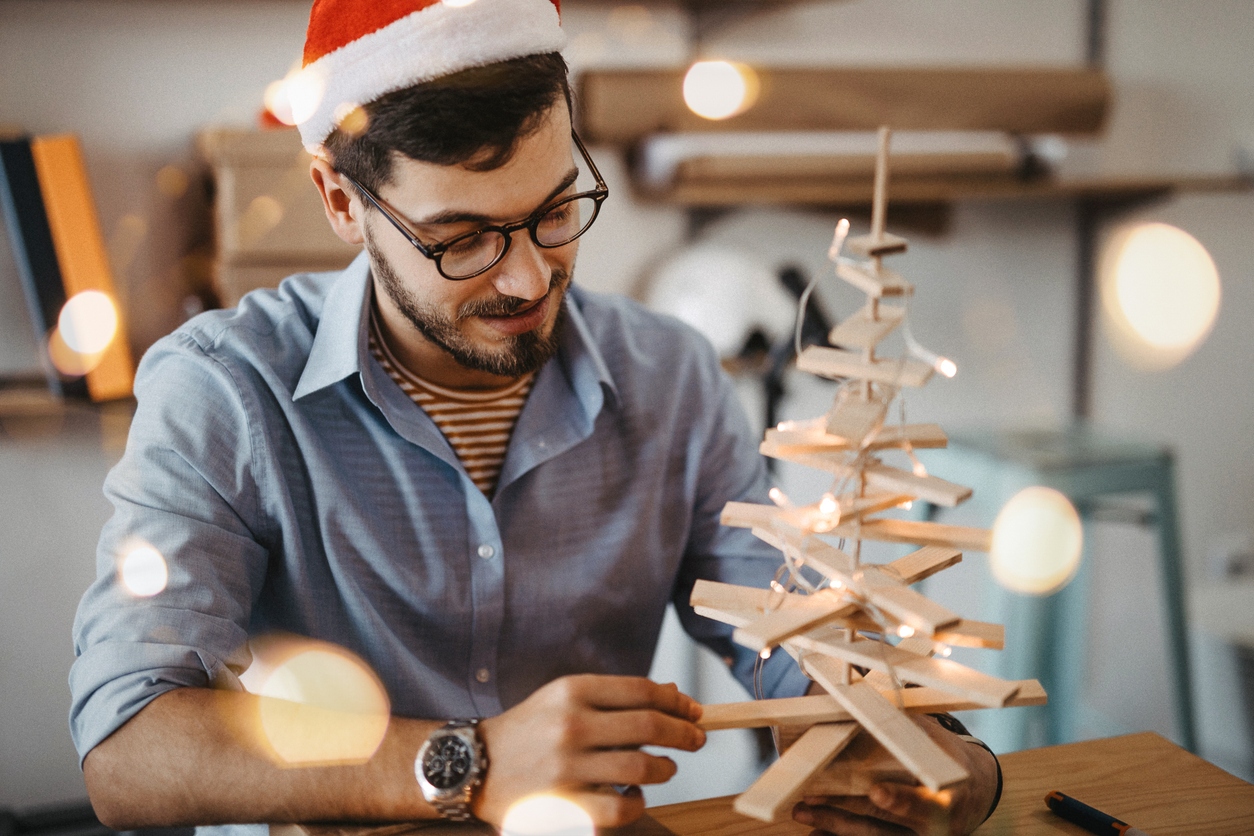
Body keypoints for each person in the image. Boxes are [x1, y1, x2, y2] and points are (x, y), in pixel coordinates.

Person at [69, 1, 998, 834]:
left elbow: (789, 630)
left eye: (556, 213)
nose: (525, 279)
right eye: (462, 239)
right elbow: (127, 751)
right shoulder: (225, 388)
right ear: (341, 200)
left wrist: (931, 747)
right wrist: (466, 765)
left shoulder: (671, 376)